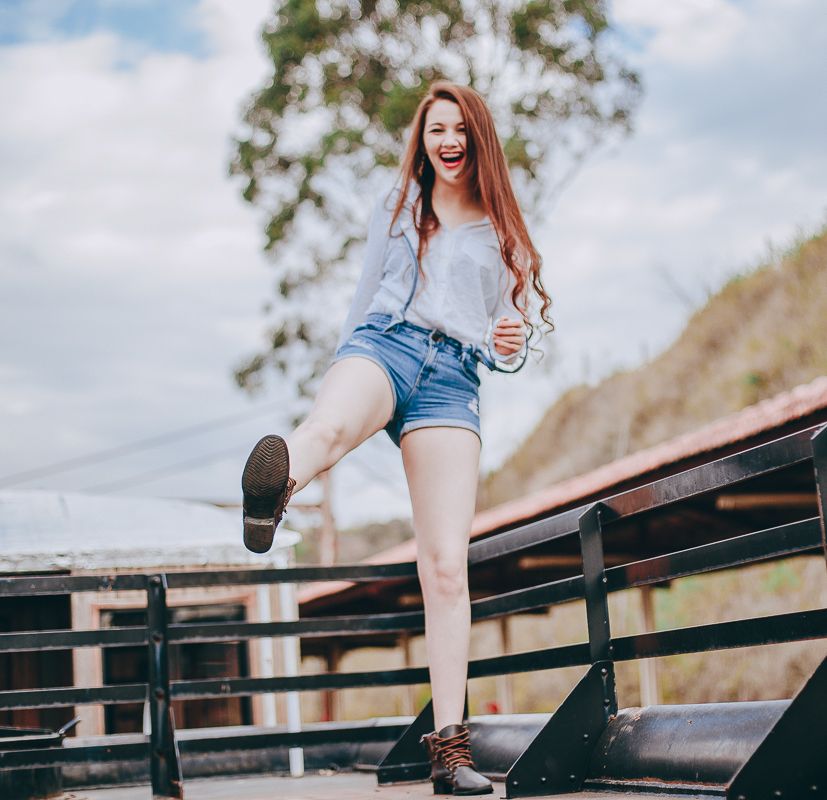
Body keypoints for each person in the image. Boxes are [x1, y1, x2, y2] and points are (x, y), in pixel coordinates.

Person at [239, 81, 550, 796]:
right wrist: (345, 361)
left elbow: (509, 344)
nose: (447, 141)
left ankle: (450, 756)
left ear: (479, 139)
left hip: (455, 380)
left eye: (460, 130)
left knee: (446, 567)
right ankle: (275, 490)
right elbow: (362, 297)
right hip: (386, 346)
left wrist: (512, 337)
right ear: (424, 139)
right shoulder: (401, 205)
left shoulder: (507, 233)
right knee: (328, 426)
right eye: (436, 129)